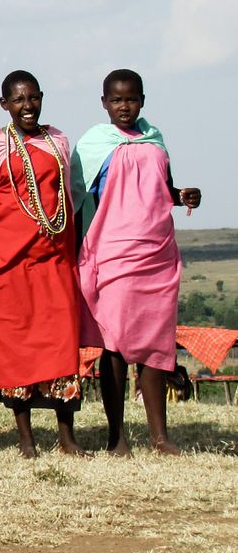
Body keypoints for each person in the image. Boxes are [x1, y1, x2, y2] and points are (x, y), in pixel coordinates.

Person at [71, 69, 201, 456]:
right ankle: (117, 437)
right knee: (113, 344)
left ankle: (160, 437)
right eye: (116, 99)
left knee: (157, 345)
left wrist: (184, 196)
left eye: (130, 99)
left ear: (142, 100)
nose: (123, 106)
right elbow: (74, 198)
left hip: (156, 253)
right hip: (113, 252)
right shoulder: (94, 144)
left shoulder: (155, 140)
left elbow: (163, 190)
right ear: (104, 103)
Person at [0, 71, 85, 458]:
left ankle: (67, 437)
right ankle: (26, 439)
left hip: (53, 260)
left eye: (33, 98)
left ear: (42, 98)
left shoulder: (57, 141)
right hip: (6, 263)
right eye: (18, 100)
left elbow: (70, 197)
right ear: (4, 104)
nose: (27, 106)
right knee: (14, 348)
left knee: (61, 345)